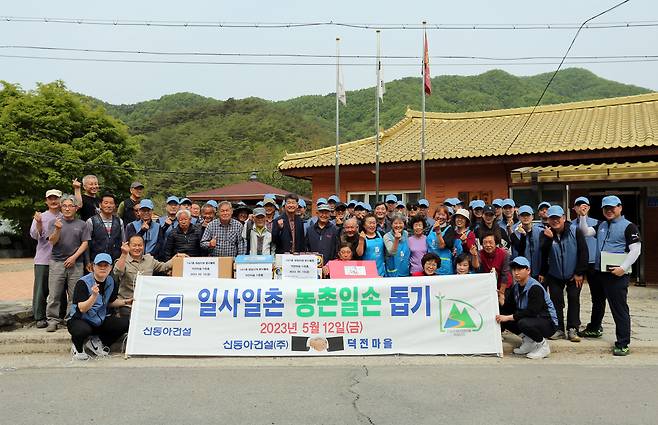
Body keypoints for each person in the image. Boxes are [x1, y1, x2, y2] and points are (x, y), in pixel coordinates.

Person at [578, 195, 641, 356]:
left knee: (619, 308)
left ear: (620, 208)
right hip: (600, 272)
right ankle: (594, 328)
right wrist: (583, 216)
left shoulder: (629, 227)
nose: (609, 210)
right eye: (606, 208)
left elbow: (636, 250)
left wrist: (623, 267)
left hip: (617, 274)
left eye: (612, 207)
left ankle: (623, 343)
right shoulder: (602, 225)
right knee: (598, 302)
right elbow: (585, 232)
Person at [539, 205, 588, 342]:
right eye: (552, 218)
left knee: (573, 298)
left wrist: (579, 273)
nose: (555, 221)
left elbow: (583, 252)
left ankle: (573, 328)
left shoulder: (575, 231)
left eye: (557, 218)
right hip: (554, 274)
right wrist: (548, 239)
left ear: (564, 218)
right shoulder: (547, 233)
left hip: (574, 274)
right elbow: (543, 254)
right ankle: (559, 328)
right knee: (556, 301)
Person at [67, 253, 131, 360]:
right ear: (93, 267)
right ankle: (77, 347)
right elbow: (82, 308)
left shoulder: (111, 281)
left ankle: (98, 343)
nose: (102, 268)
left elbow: (110, 302)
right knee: (82, 330)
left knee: (125, 323)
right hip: (80, 319)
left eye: (105, 265)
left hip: (99, 319)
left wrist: (126, 302)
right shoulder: (83, 282)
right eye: (99, 265)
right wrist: (94, 296)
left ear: (110, 268)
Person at [496, 256, 558, 359]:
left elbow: (532, 311)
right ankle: (529, 342)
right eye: (514, 269)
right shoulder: (516, 287)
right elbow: (508, 307)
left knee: (522, 322)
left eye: (519, 269)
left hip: (548, 322)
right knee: (504, 316)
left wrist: (507, 317)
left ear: (528, 270)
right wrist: (501, 298)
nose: (516, 272)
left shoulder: (535, 288)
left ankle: (543, 346)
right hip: (531, 319)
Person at [45, 194, 91, 332]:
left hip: (76, 263)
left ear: (76, 208)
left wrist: (74, 257)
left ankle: (70, 318)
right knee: (54, 293)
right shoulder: (54, 222)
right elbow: (52, 241)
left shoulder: (82, 224)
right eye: (64, 205)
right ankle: (52, 320)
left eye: (70, 205)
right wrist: (58, 229)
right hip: (57, 262)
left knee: (74, 293)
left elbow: (85, 243)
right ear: (61, 207)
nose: (67, 208)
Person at [114, 236, 181, 317]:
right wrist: (124, 254)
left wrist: (177, 257)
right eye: (134, 245)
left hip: (146, 302)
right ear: (129, 246)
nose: (137, 248)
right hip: (127, 304)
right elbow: (117, 272)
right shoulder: (122, 260)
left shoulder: (150, 259)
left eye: (140, 245)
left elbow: (164, 266)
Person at [30, 189, 64, 328]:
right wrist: (38, 223)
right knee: (41, 289)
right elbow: (34, 235)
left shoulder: (66, 216)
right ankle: (39, 316)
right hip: (43, 259)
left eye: (56, 198)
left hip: (61, 259)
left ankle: (60, 315)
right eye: (50, 198)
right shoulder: (41, 216)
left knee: (60, 289)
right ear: (46, 201)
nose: (53, 201)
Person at [86, 193, 125, 266]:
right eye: (106, 203)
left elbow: (123, 241)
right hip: (96, 260)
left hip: (115, 261)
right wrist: (88, 261)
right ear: (100, 205)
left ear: (114, 206)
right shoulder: (91, 221)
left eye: (111, 203)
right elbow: (86, 244)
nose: (108, 205)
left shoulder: (119, 221)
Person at [571, 197, 598, 289]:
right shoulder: (570, 224)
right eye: (578, 205)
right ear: (574, 208)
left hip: (593, 261)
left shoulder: (596, 223)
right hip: (577, 262)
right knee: (574, 292)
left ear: (589, 207)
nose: (581, 208)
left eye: (585, 205)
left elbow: (584, 231)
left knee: (597, 294)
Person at [510, 205, 542, 279]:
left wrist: (543, 271)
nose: (525, 217)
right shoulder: (515, 234)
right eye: (523, 215)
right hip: (522, 273)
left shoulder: (540, 232)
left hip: (538, 272)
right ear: (518, 217)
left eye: (528, 215)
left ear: (532, 216)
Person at [427, 205, 457, 275]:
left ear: (447, 217)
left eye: (443, 215)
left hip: (444, 266)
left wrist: (438, 232)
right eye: (438, 214)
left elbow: (442, 246)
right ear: (434, 215)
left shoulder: (450, 230)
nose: (440, 217)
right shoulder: (430, 228)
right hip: (430, 265)